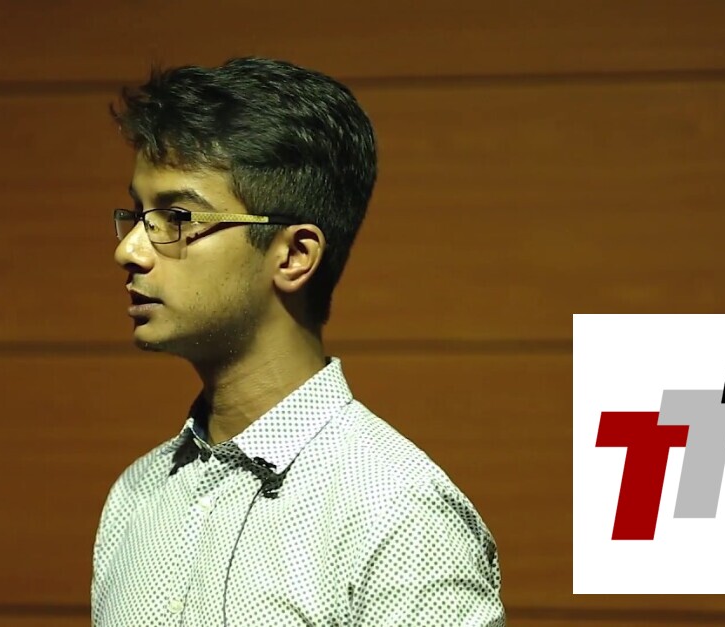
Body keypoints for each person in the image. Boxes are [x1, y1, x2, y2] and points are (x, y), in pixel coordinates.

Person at [91, 57, 504, 626]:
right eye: (139, 215)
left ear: (293, 255)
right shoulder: (136, 496)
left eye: (177, 217)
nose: (130, 250)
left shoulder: (400, 512)